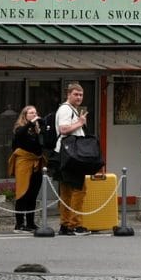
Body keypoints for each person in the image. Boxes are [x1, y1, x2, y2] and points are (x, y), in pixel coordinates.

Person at [55, 82, 90, 236]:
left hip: (68, 155)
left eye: (81, 95)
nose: (79, 97)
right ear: (68, 94)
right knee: (78, 189)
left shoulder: (72, 110)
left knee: (67, 190)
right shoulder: (65, 109)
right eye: (75, 94)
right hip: (69, 155)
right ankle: (75, 224)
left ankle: (66, 224)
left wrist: (79, 122)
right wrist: (80, 123)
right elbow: (63, 129)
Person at [7, 105, 44, 232]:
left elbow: (42, 145)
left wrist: (41, 128)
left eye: (35, 112)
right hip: (23, 162)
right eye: (31, 113)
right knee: (23, 193)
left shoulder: (36, 129)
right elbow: (20, 134)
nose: (34, 115)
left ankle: (30, 222)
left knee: (33, 194)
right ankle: (19, 223)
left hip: (36, 162)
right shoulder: (20, 128)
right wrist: (30, 124)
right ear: (25, 115)